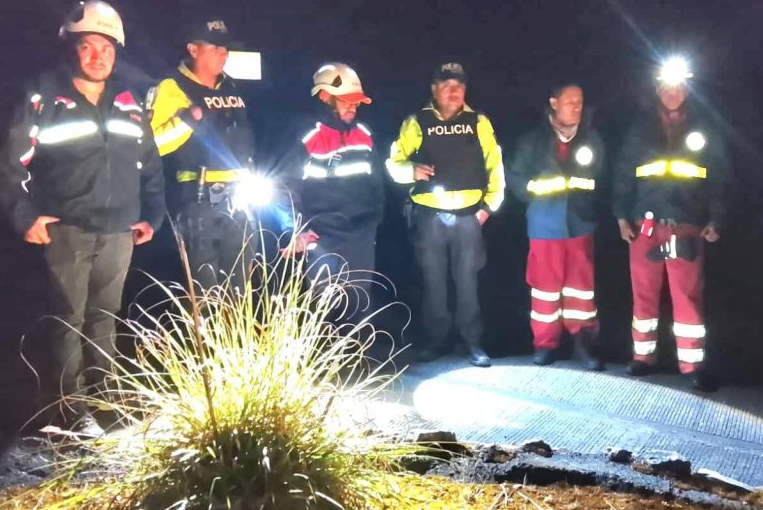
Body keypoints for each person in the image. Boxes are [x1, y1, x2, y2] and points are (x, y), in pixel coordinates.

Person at [0, 0, 165, 434]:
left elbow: (150, 161)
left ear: (117, 51)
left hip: (119, 230)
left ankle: (104, 402)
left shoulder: (128, 102)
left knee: (104, 317)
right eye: (88, 46)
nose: (97, 57)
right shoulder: (44, 97)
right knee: (66, 319)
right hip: (66, 229)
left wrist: (153, 214)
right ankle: (66, 414)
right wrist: (24, 215)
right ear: (71, 48)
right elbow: (11, 164)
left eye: (106, 47)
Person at [612, 56, 729, 390]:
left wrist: (718, 218)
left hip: (687, 223)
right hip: (645, 224)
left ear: (687, 89)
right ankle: (642, 358)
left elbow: (720, 177)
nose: (672, 92)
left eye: (679, 86)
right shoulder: (639, 127)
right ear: (657, 88)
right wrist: (621, 215)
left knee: (688, 297)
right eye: (666, 86)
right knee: (643, 294)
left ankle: (692, 366)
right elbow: (623, 173)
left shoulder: (705, 129)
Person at [386, 62, 505, 367]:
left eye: (459, 86)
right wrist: (409, 170)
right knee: (434, 283)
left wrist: (488, 208)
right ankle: (436, 341)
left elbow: (495, 165)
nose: (454, 91)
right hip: (429, 216)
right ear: (434, 90)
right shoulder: (417, 122)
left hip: (468, 216)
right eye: (446, 85)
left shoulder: (478, 121)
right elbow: (393, 163)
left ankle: (473, 342)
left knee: (468, 282)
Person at [147, 19, 257, 289]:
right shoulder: (171, 87)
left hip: (241, 199)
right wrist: (186, 121)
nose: (223, 53)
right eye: (215, 47)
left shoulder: (232, 87)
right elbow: (152, 144)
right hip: (197, 199)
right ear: (193, 49)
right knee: (204, 288)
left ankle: (236, 332)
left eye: (225, 49)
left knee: (240, 287)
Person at [508, 82, 604, 370]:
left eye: (580, 101)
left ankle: (583, 345)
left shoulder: (592, 140)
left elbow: (600, 180)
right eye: (569, 101)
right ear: (553, 103)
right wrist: (533, 189)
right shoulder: (532, 141)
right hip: (544, 224)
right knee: (545, 289)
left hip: (580, 224)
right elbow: (515, 179)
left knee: (581, 291)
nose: (576, 106)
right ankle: (545, 346)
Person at [282, 63, 384, 313]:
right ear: (325, 97)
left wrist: (372, 222)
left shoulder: (364, 134)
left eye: (356, 101)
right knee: (325, 311)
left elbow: (377, 184)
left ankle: (360, 352)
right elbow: (286, 187)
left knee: (359, 309)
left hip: (360, 235)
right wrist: (296, 230)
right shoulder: (306, 136)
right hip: (322, 235)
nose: (353, 106)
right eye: (346, 100)